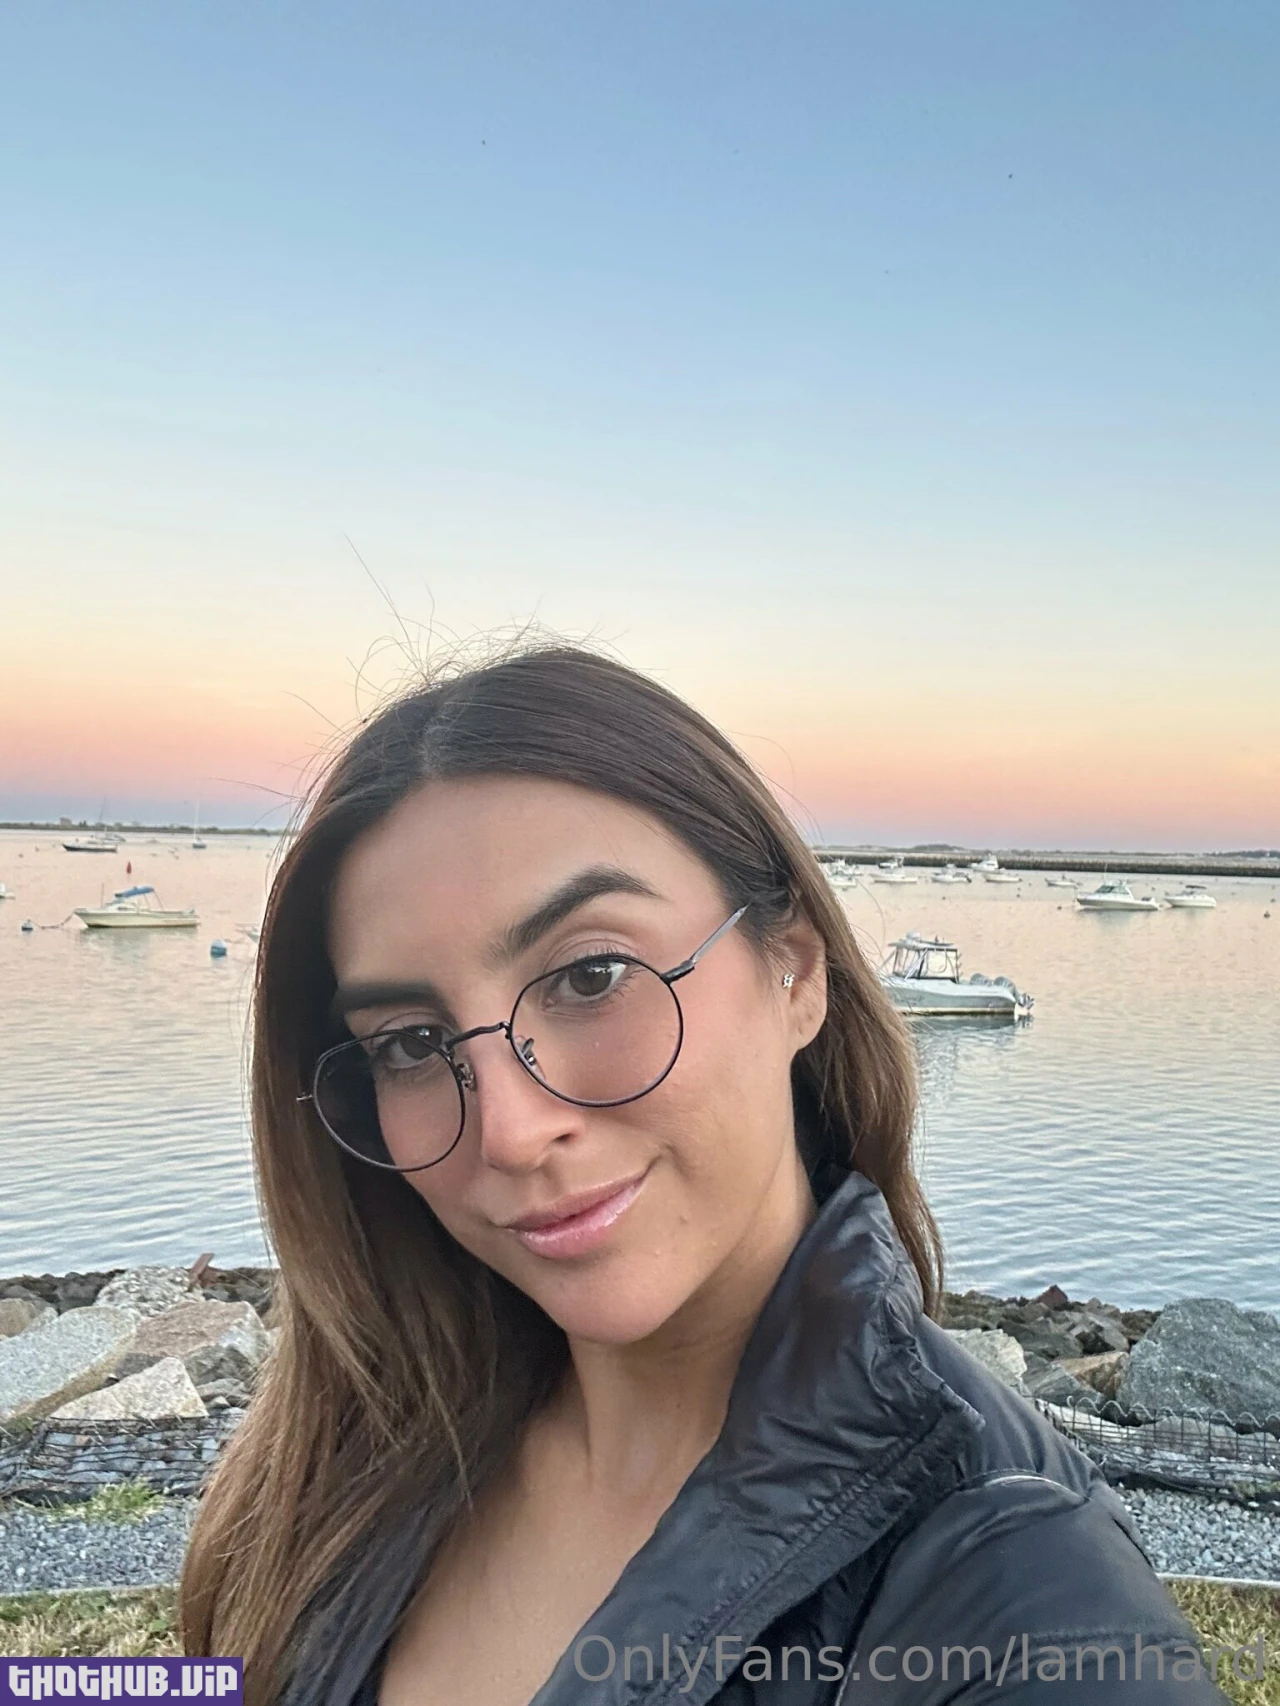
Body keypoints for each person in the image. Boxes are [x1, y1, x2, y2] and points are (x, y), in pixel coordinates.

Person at [180, 645, 1226, 1704]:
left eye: (592, 976)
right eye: (410, 1042)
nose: (509, 1131)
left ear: (795, 969)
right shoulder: (334, 1475)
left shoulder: (1028, 1610)